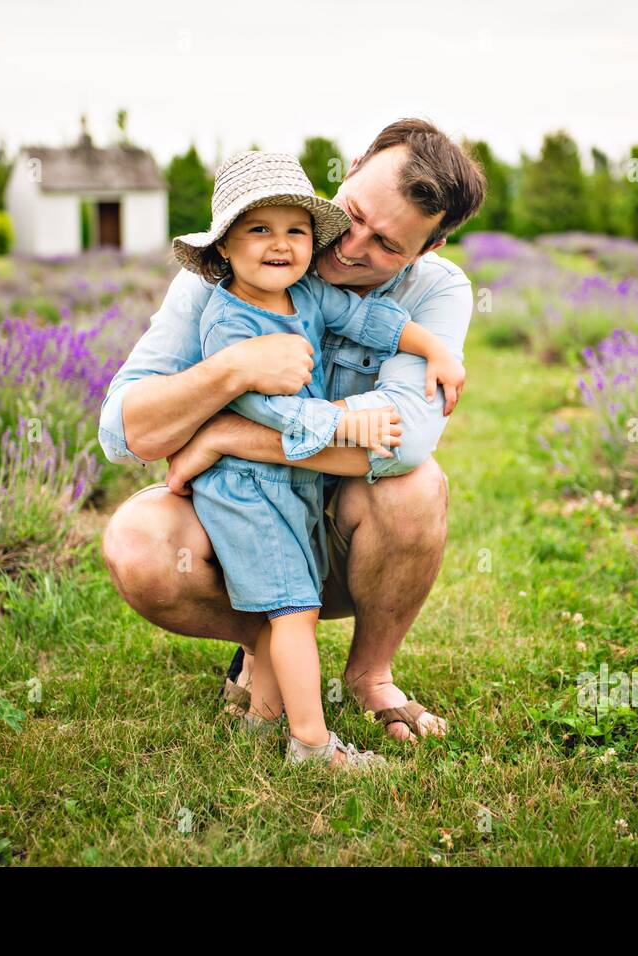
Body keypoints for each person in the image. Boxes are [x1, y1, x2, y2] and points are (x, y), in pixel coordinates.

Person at [99, 119, 487, 743]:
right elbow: (124, 431)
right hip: (246, 522)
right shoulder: (232, 265)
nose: (350, 245)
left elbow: (404, 439)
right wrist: (231, 371)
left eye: (387, 244)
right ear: (351, 166)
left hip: (342, 534)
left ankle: (370, 674)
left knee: (418, 485)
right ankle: (267, 643)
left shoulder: (436, 290)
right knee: (138, 543)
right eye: (353, 211)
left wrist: (222, 436)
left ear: (426, 252)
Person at [171, 150, 465, 768]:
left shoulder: (304, 294)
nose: (281, 246)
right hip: (250, 490)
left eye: (296, 231)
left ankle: (263, 716)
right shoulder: (228, 317)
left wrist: (431, 344)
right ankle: (311, 743)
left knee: (290, 601)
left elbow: (368, 319)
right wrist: (342, 420)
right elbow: (265, 408)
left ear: (426, 249)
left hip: (293, 488)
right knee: (294, 612)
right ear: (223, 245)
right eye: (259, 231)